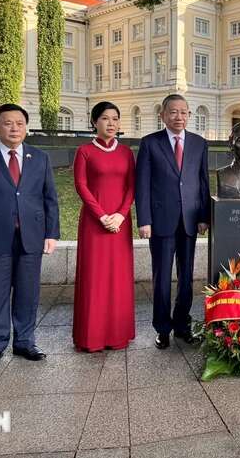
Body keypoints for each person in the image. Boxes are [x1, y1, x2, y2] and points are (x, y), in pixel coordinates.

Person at [0, 104, 60, 370]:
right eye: (8, 123)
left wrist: (52, 233)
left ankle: (25, 342)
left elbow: (50, 198)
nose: (14, 128)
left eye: (19, 123)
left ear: (26, 127)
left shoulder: (39, 157)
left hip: (31, 236)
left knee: (28, 293)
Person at [135, 94, 210, 349]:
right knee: (162, 277)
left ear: (189, 115)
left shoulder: (199, 143)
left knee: (187, 276)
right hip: (161, 221)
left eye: (184, 112)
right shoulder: (149, 144)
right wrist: (144, 220)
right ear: (163, 115)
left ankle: (182, 324)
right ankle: (162, 328)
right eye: (173, 112)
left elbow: (202, 183)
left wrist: (203, 216)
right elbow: (142, 185)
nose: (179, 117)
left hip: (190, 221)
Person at [73, 102, 136, 351]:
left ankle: (118, 335)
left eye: (115, 119)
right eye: (105, 118)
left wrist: (120, 215)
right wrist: (102, 216)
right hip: (94, 223)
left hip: (120, 224)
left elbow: (132, 187)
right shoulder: (84, 151)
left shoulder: (126, 153)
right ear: (94, 122)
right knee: (94, 278)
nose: (111, 123)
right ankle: (92, 337)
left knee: (118, 278)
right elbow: (81, 185)